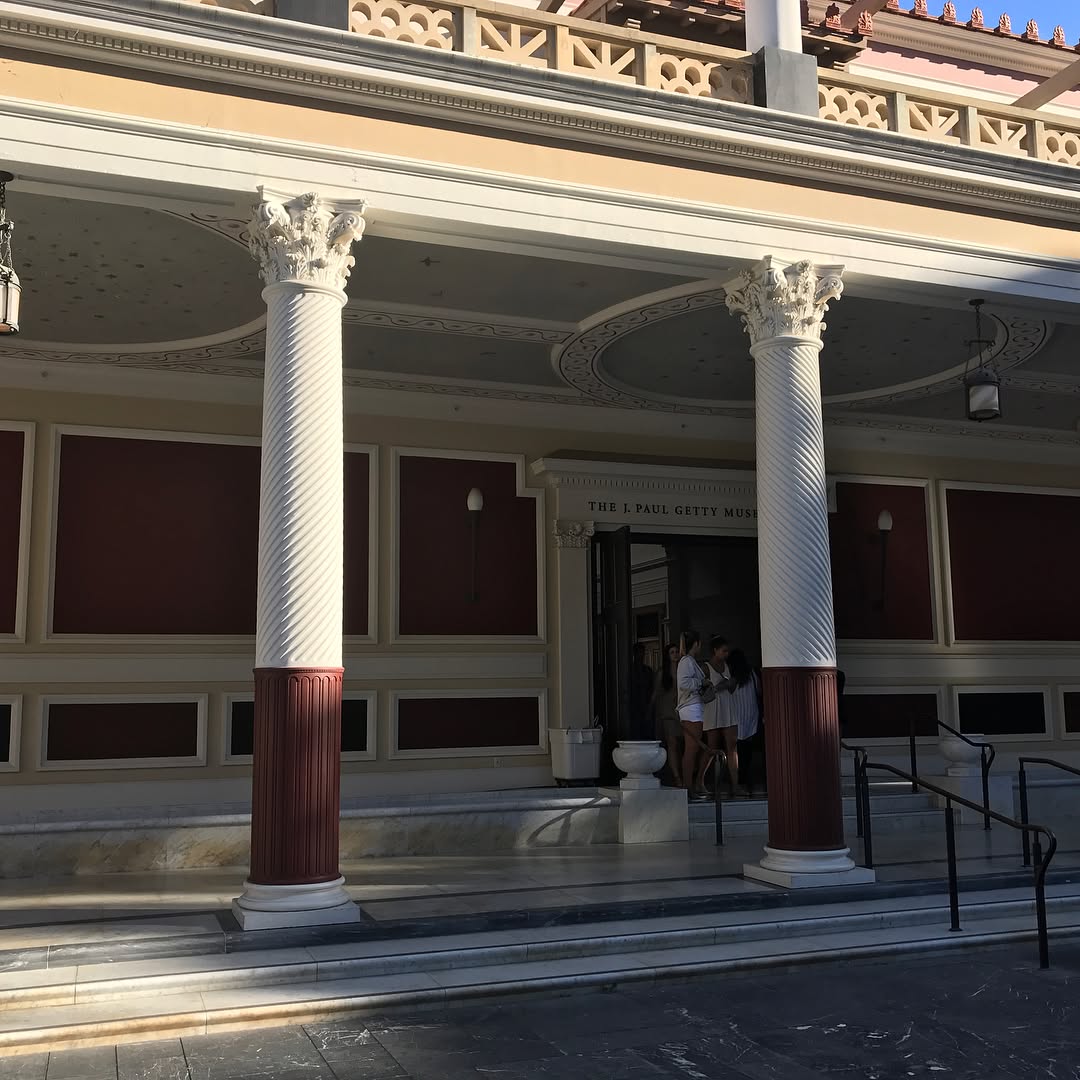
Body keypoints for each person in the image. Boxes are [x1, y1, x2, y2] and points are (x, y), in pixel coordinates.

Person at [676, 629, 713, 799]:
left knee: (694, 747)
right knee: (691, 748)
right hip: (691, 707)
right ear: (696, 643)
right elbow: (684, 683)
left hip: (692, 707)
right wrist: (701, 682)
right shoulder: (686, 661)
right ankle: (688, 786)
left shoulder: (689, 661)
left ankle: (690, 785)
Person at [702, 635, 738, 799]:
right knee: (711, 747)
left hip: (727, 709)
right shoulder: (706, 667)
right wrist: (716, 686)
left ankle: (735, 785)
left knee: (732, 746)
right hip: (712, 710)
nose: (726, 654)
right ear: (715, 650)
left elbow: (732, 688)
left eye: (727, 651)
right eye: (723, 651)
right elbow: (702, 691)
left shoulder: (728, 666)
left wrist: (728, 684)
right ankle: (699, 780)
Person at [727, 648, 765, 798]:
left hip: (736, 714)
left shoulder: (731, 675)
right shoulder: (753, 674)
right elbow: (760, 692)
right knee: (746, 749)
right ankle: (745, 778)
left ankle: (737, 780)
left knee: (736, 749)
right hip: (751, 714)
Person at [651, 643, 681, 787]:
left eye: (677, 652)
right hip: (668, 712)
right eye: (672, 652)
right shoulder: (662, 673)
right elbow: (656, 693)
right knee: (672, 744)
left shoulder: (684, 670)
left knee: (684, 744)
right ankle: (676, 776)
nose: (675, 654)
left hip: (683, 711)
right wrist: (650, 710)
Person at [628, 642, 655, 742]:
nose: (641, 655)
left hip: (646, 705)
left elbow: (653, 689)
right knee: (636, 734)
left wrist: (650, 707)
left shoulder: (648, 671)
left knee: (647, 733)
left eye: (642, 653)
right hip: (634, 707)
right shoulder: (629, 670)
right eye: (639, 653)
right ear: (634, 654)